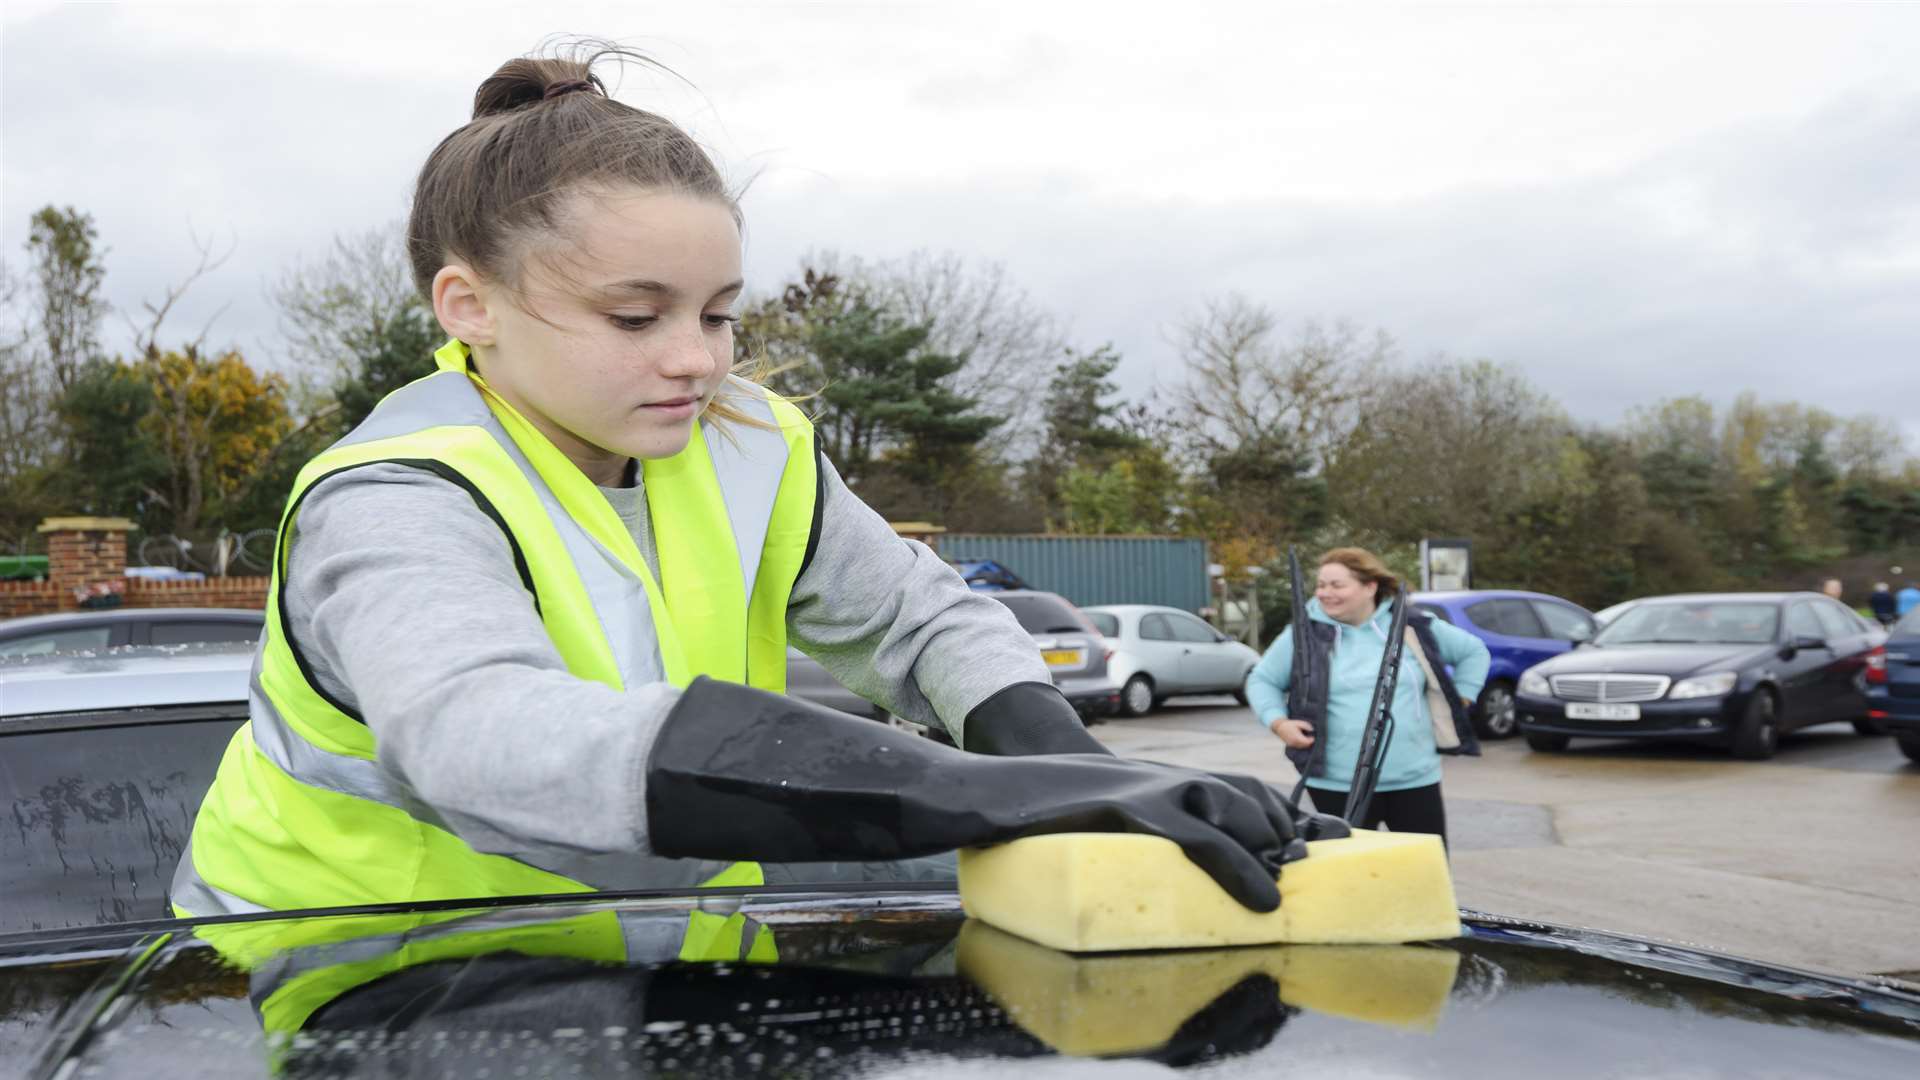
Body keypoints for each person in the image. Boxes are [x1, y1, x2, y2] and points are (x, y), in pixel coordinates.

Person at [172, 44, 1312, 922]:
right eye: (636, 314)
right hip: (351, 984)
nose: (699, 359)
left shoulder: (744, 444)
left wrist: (1073, 772)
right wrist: (977, 797)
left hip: (665, 979)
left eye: (719, 313)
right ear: (470, 308)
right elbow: (481, 739)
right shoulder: (394, 495)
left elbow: (922, 620)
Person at [1245, 548, 1490, 843]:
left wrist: (1462, 698)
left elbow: (1473, 652)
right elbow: (1262, 679)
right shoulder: (1304, 634)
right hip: (1335, 784)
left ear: (1369, 587)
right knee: (1351, 877)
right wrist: (1279, 723)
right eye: (1321, 585)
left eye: (1337, 585)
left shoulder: (1412, 625)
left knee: (1420, 875)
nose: (1325, 593)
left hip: (1414, 779)